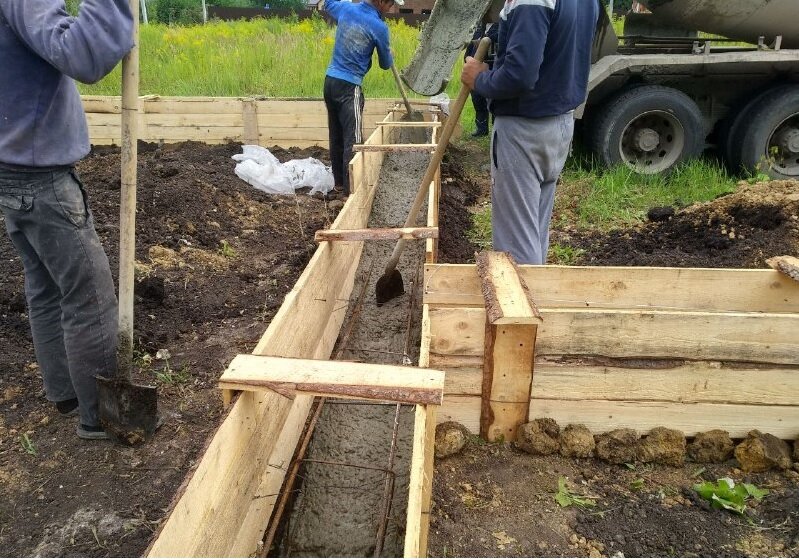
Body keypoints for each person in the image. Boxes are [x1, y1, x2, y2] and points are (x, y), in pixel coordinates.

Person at [0, 0, 134, 440]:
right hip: (39, 177)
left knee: (46, 285)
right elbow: (83, 54)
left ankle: (66, 393)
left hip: (11, 167)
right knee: (89, 295)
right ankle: (101, 417)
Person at [461, 0, 599, 264]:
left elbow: (519, 76)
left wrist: (479, 79)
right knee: (533, 231)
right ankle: (536, 286)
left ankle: (522, 291)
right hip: (559, 123)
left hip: (524, 130)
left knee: (516, 250)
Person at [321, 0, 401, 198]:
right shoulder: (379, 27)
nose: (391, 8)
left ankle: (339, 184)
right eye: (390, 3)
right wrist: (390, 54)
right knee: (354, 140)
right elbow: (385, 64)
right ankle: (352, 193)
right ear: (380, 1)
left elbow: (327, 3)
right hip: (350, 87)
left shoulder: (346, 8)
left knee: (336, 135)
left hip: (330, 82)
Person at [464, 23, 498, 137]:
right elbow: (469, 50)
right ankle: (481, 128)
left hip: (493, 70)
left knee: (495, 100)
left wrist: (488, 39)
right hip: (476, 72)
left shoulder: (501, 27)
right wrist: (467, 60)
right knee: (477, 99)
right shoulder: (479, 28)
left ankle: (496, 129)